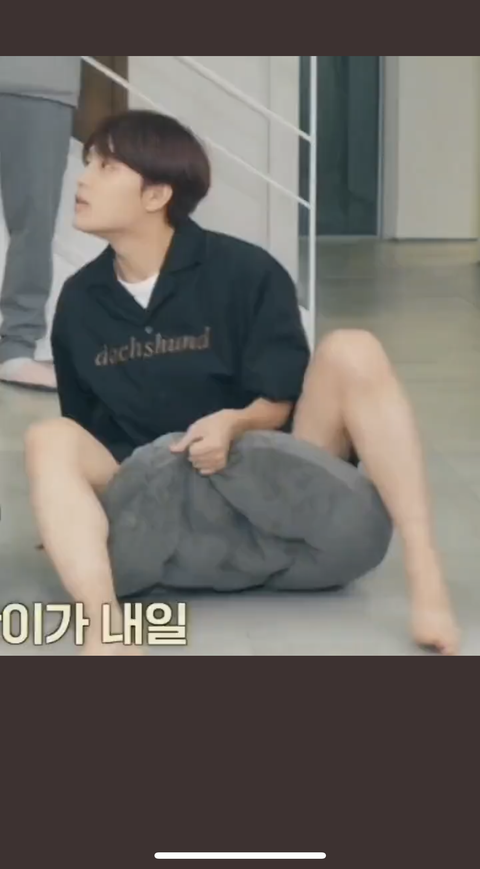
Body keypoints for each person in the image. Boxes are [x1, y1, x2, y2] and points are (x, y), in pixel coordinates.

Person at [24, 110, 459, 656]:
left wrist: (236, 422)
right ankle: (105, 628)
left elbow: (282, 396)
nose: (83, 179)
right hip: (157, 522)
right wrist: (64, 513)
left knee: (354, 348)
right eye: (88, 163)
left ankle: (427, 577)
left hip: (282, 502)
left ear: (156, 194)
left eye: (106, 167)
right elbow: (84, 429)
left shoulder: (245, 271)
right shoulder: (80, 302)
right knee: (49, 438)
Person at [0, 56, 81, 390]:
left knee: (35, 221)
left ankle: (16, 348)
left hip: (41, 82)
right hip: (42, 84)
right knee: (34, 222)